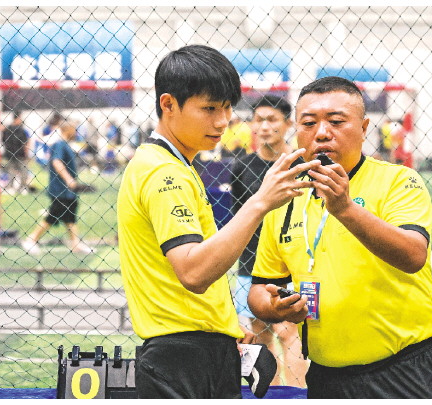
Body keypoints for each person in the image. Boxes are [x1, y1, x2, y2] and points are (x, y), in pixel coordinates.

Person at [116, 44, 319, 399]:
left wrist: (223, 323)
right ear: (168, 104)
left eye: (227, 108)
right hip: (183, 359)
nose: (223, 121)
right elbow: (193, 272)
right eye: (209, 108)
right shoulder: (165, 173)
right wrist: (261, 202)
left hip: (196, 348)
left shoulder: (171, 165)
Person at [247, 76, 432, 399]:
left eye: (336, 121)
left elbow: (413, 255)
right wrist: (277, 307)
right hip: (327, 374)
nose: (321, 132)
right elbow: (260, 288)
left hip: (408, 368)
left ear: (363, 127)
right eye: (309, 123)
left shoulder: (398, 181)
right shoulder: (285, 197)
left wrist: (344, 208)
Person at [230, 95, 308, 387]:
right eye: (259, 120)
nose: (264, 126)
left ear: (288, 124)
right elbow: (240, 217)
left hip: (292, 261)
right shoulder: (242, 166)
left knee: (290, 332)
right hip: (252, 261)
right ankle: (271, 394)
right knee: (261, 333)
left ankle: (298, 394)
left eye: (272, 119)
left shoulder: (302, 164)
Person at [21, 121, 93, 255]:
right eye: (74, 129)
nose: (76, 132)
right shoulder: (59, 144)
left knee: (70, 215)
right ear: (68, 130)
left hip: (67, 190)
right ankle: (31, 239)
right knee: (54, 214)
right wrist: (68, 179)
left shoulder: (65, 144)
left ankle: (75, 244)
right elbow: (56, 161)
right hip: (61, 189)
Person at [1, 111, 30, 194]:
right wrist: (26, 153)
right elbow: (25, 143)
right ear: (18, 118)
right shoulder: (21, 130)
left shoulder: (6, 129)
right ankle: (21, 188)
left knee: (12, 171)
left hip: (10, 153)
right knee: (22, 171)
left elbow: (3, 140)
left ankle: (11, 187)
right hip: (20, 154)